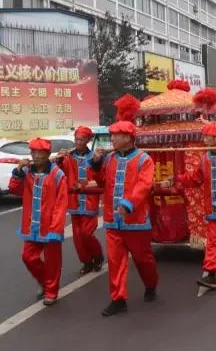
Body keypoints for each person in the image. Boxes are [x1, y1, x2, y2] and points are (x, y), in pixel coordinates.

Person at [162, 122, 216, 290]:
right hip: (213, 209)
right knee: (213, 241)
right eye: (205, 136)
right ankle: (211, 274)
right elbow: (195, 178)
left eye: (207, 137)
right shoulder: (205, 158)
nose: (204, 140)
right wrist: (177, 179)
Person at [91, 120, 158, 317]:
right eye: (112, 135)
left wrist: (128, 204)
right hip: (113, 221)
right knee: (115, 260)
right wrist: (95, 163)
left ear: (128, 138)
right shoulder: (110, 158)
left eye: (116, 136)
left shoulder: (144, 159)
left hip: (135, 221)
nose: (112, 139)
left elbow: (143, 185)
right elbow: (102, 180)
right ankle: (118, 298)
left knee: (142, 259)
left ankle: (151, 284)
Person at [9, 138, 68, 307]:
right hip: (32, 225)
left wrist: (56, 228)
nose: (36, 156)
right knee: (28, 257)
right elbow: (15, 190)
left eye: (40, 153)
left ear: (48, 154)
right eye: (33, 152)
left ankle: (51, 291)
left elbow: (61, 203)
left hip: (50, 226)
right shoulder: (27, 172)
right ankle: (45, 282)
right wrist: (18, 171)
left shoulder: (57, 175)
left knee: (53, 262)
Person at [57, 126, 104, 275]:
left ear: (88, 141)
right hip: (74, 200)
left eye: (82, 139)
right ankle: (86, 261)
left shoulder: (94, 158)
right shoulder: (69, 158)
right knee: (77, 236)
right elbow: (60, 172)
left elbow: (100, 179)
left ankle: (98, 255)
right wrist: (58, 160)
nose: (78, 142)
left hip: (90, 199)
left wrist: (86, 183)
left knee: (86, 233)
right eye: (76, 139)